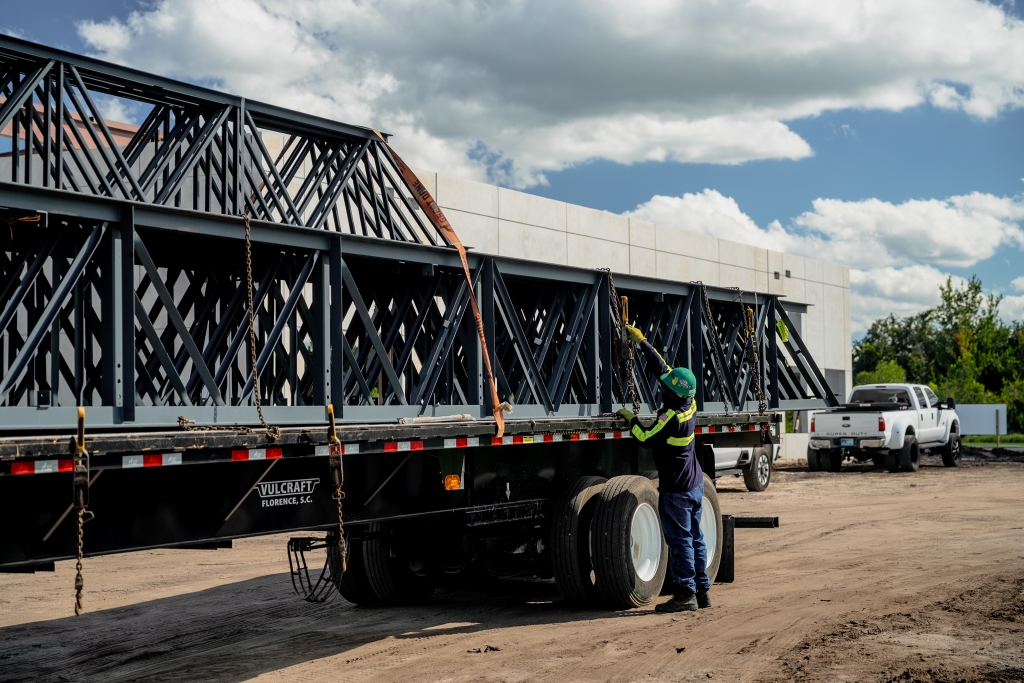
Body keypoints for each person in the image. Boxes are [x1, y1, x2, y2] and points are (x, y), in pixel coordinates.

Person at [616, 324, 711, 613]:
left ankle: (685, 595)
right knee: (696, 538)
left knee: (680, 540)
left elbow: (644, 438)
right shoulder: (690, 402)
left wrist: (631, 419)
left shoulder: (671, 417)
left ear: (673, 395)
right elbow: (665, 369)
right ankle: (703, 591)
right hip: (694, 485)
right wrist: (643, 341)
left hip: (677, 489)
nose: (662, 387)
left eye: (666, 389)